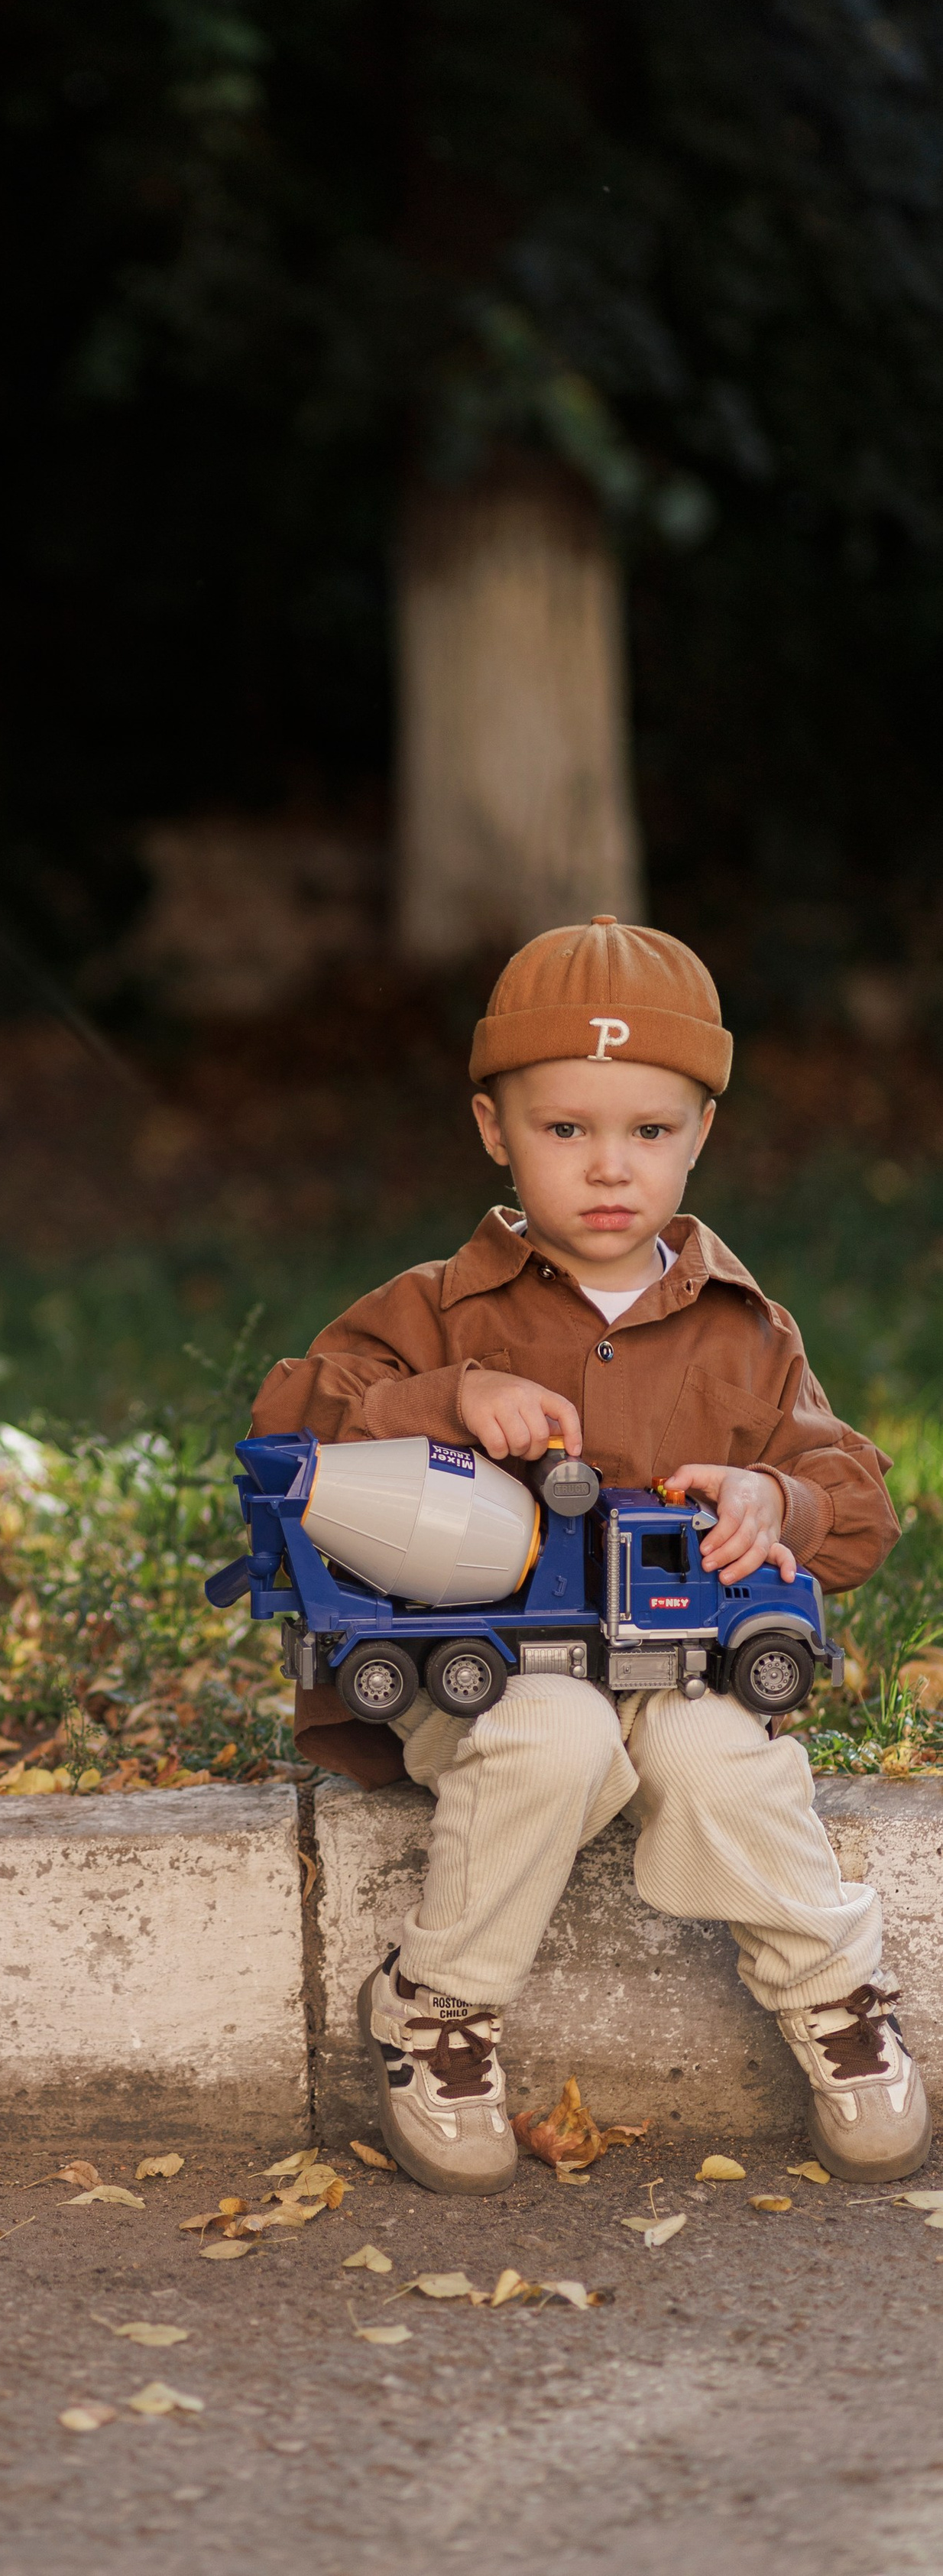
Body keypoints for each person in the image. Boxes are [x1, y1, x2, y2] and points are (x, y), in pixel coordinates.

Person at [253, 916, 931, 2193]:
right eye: (566, 1128)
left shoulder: (748, 1331)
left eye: (650, 1130)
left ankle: (838, 1998)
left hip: (680, 1667)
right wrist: (450, 1397)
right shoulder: (434, 1308)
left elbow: (858, 1504)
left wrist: (775, 1501)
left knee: (719, 1756)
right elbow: (291, 1418)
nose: (610, 1166)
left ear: (702, 1133)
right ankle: (436, 2005)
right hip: (499, 1668)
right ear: (493, 1127)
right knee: (557, 1732)